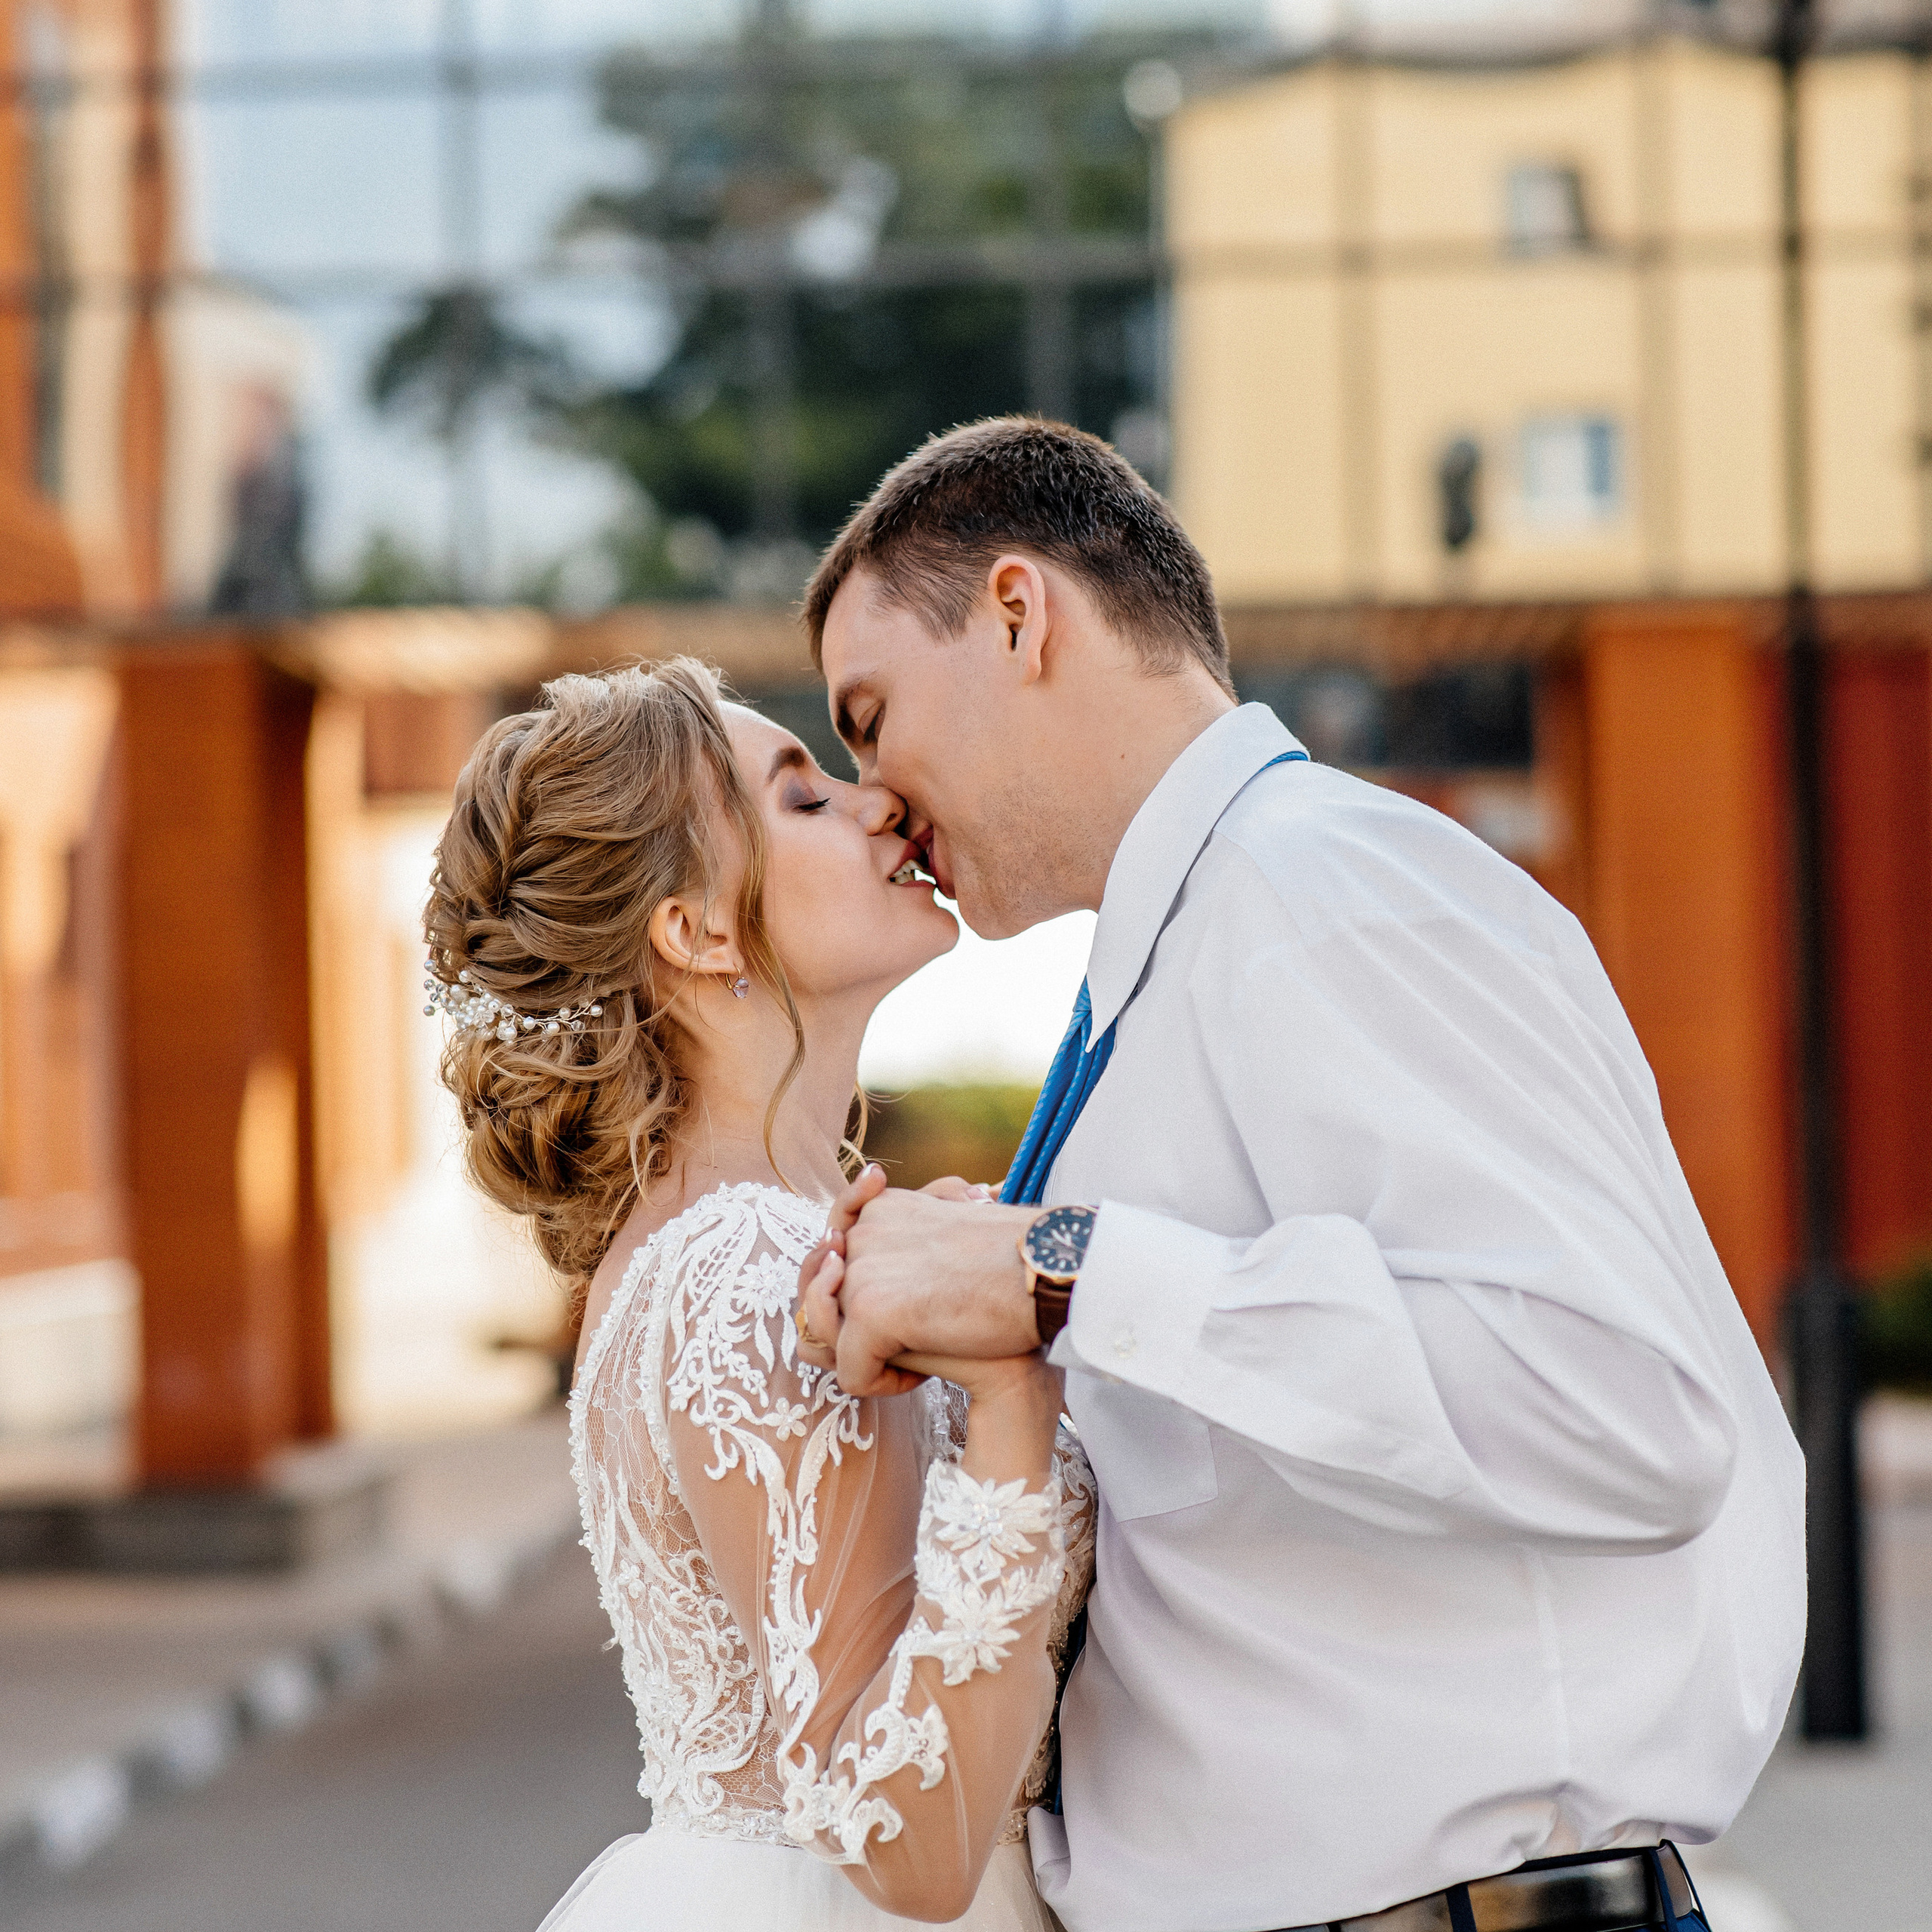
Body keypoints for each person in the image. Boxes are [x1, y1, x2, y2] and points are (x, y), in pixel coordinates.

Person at [793, 418, 1808, 1932]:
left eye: (868, 716)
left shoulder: (1318, 894)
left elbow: (1623, 1405)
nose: (870, 795)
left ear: (1018, 612)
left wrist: (1061, 1266)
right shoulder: (1182, 955)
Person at [422, 658, 1096, 1931]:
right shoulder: (751, 1277)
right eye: (802, 799)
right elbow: (904, 1845)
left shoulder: (702, 1248)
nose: (877, 805)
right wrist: (1011, 1386)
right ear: (699, 929)